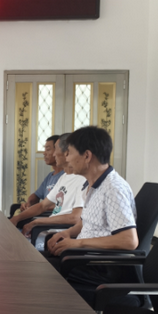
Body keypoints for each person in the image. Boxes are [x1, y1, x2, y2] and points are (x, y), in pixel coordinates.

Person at [46, 126, 138, 299]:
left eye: (69, 153)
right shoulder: (92, 184)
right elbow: (86, 222)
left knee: (39, 272)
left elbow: (129, 240)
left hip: (102, 267)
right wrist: (67, 233)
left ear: (87, 156)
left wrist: (78, 244)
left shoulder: (113, 189)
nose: (66, 157)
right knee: (36, 262)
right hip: (83, 258)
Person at [10, 133, 85, 233]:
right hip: (48, 229)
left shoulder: (83, 179)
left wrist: (36, 222)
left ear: (66, 152)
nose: (54, 154)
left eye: (55, 149)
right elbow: (42, 205)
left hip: (60, 233)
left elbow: (75, 218)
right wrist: (17, 218)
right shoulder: (64, 177)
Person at [17, 135, 63, 212]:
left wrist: (39, 208)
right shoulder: (50, 176)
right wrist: (29, 203)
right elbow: (37, 195)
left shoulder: (67, 175)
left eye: (48, 149)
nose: (44, 153)